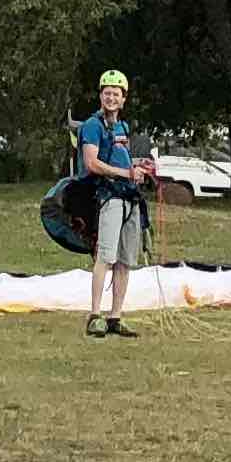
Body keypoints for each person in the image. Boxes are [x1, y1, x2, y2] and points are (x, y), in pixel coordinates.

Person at [75, 69, 152, 338]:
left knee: (125, 261)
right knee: (106, 256)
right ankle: (94, 315)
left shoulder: (122, 128)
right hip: (109, 197)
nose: (111, 98)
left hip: (130, 199)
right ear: (100, 96)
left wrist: (138, 167)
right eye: (107, 93)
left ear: (123, 99)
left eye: (115, 94)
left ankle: (115, 317)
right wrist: (126, 174)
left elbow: (120, 159)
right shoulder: (93, 126)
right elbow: (91, 163)